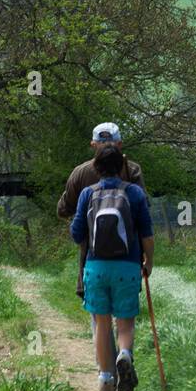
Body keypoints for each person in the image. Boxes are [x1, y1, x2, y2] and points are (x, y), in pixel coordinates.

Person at [70, 143, 155, 391]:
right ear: (122, 167)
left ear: (96, 168)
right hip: (127, 266)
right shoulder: (134, 194)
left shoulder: (87, 193)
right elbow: (147, 234)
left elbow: (76, 234)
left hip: (95, 267)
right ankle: (125, 356)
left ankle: (105, 382)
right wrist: (148, 262)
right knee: (125, 322)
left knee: (102, 325)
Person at [57, 123, 146, 300]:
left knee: (98, 318)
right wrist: (146, 256)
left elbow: (63, 210)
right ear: (120, 144)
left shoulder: (80, 173)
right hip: (128, 256)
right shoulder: (132, 170)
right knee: (125, 318)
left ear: (93, 145)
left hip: (92, 256)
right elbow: (143, 216)